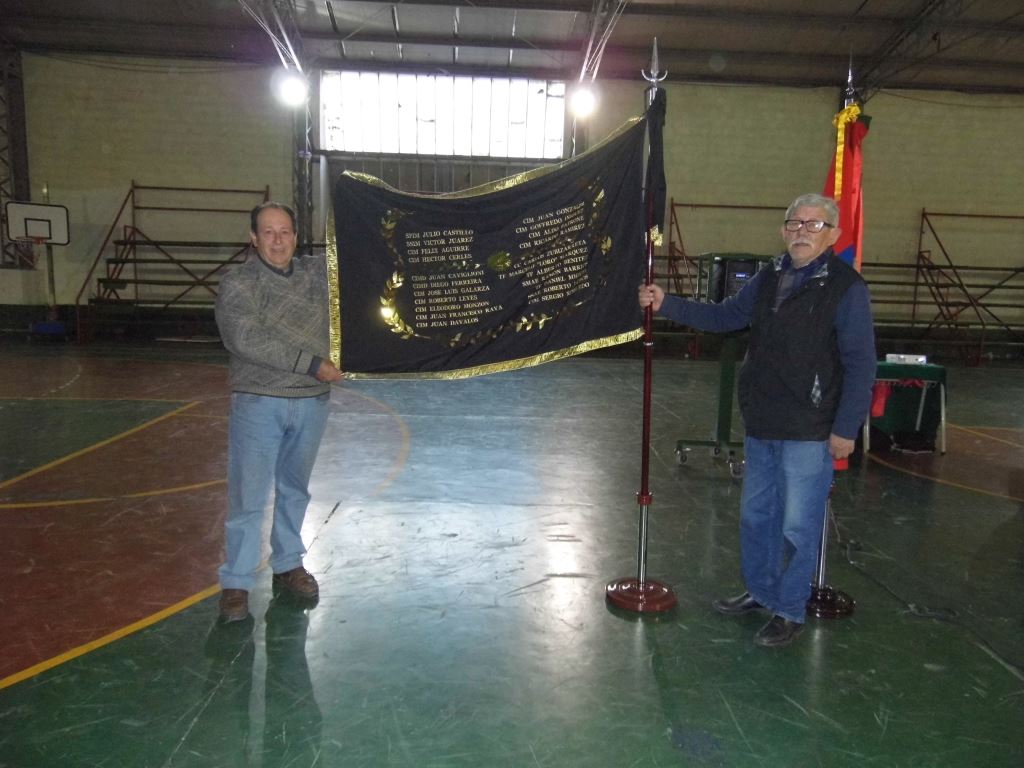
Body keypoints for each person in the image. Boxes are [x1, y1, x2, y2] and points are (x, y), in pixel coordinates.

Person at [638, 192, 876, 647]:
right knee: (757, 518)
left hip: (810, 427)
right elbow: (726, 316)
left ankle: (788, 608)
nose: (801, 232)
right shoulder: (771, 276)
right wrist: (667, 302)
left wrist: (846, 429)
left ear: (833, 235)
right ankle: (762, 591)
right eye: (794, 223)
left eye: (813, 225)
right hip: (763, 420)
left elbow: (862, 364)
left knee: (796, 526)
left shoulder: (847, 288)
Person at [214, 202, 344, 622]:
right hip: (259, 402)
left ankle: (287, 563)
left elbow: (365, 265)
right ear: (253, 239)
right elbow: (244, 338)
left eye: (284, 231)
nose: (277, 240)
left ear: (295, 236)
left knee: (295, 489)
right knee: (248, 497)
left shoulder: (318, 275)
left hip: (312, 402)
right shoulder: (238, 283)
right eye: (268, 232)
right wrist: (311, 363)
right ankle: (235, 582)